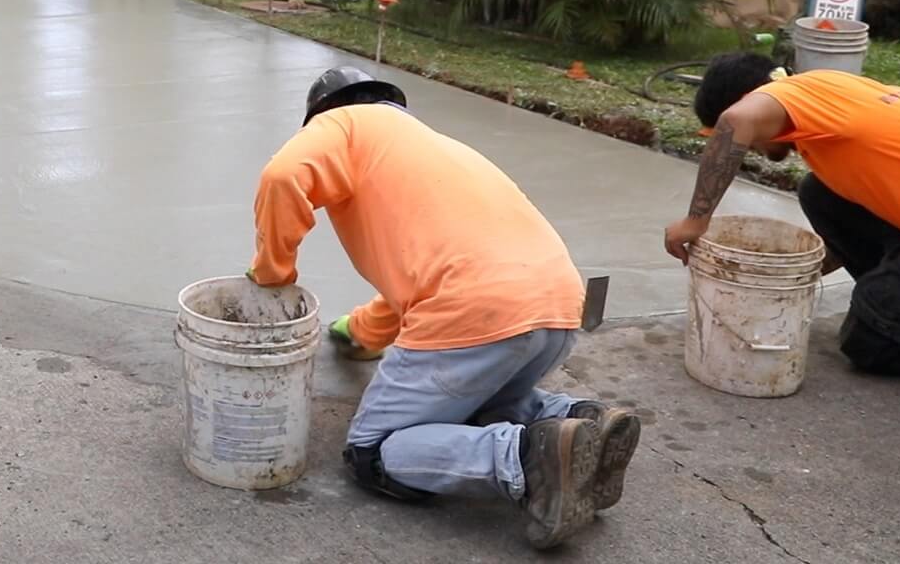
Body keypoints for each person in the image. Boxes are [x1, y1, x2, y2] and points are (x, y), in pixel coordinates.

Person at [248, 66, 639, 549]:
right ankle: (582, 421)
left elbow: (282, 176)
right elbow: (412, 294)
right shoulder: (435, 148)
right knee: (476, 400)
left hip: (477, 310)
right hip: (555, 303)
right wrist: (357, 332)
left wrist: (274, 274)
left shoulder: (343, 123)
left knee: (373, 451)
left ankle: (526, 458)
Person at [665, 55, 900, 376]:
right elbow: (856, 233)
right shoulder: (829, 94)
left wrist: (695, 221)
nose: (749, 149)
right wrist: (783, 279)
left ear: (752, 97)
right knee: (819, 193)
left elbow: (736, 122)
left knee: (870, 338)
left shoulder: (787, 95)